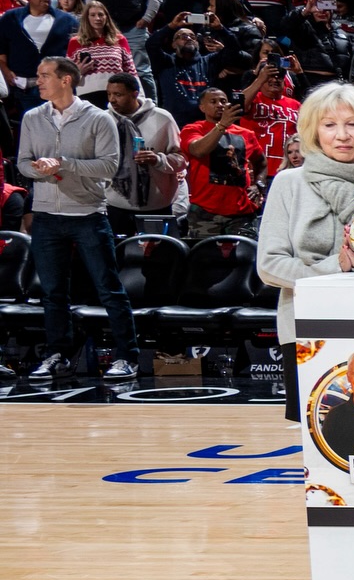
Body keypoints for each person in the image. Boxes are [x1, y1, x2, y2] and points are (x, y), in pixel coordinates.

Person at [259, 83, 354, 425]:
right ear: (314, 132)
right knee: (321, 444)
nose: (341, 135)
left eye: (353, 124)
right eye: (329, 125)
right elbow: (269, 266)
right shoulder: (289, 183)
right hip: (307, 334)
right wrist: (335, 267)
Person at [18, 54, 138, 382]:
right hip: (45, 215)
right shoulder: (32, 117)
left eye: (44, 75)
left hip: (87, 214)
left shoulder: (98, 118)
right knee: (53, 292)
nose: (38, 80)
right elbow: (23, 163)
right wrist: (40, 169)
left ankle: (127, 356)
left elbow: (108, 167)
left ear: (65, 79)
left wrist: (63, 164)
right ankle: (58, 354)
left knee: (108, 288)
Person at [181, 85, 267, 239]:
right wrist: (222, 126)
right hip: (205, 212)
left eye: (223, 101)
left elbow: (261, 163)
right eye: (213, 101)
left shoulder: (246, 134)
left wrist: (259, 184)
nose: (219, 105)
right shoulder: (193, 129)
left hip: (242, 212)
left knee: (244, 259)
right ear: (202, 107)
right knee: (204, 259)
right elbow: (198, 150)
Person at [104, 71, 183, 234]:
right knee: (119, 256)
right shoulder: (103, 119)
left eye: (118, 94)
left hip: (156, 206)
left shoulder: (162, 118)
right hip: (115, 205)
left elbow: (182, 159)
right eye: (109, 94)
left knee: (158, 255)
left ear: (135, 94)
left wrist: (158, 160)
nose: (112, 99)